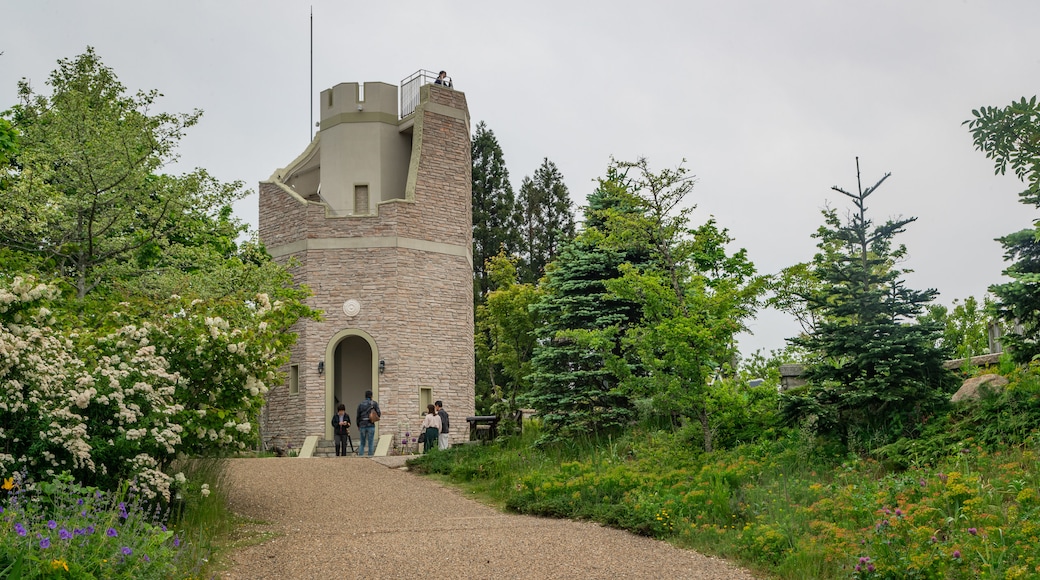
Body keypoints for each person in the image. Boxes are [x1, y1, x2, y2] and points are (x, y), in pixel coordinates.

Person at [355, 390, 381, 457]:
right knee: (371, 442)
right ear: (371, 396)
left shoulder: (361, 404)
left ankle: (361, 456)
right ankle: (370, 457)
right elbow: (379, 413)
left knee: (362, 443)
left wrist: (358, 425)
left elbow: (358, 416)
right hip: (370, 424)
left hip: (362, 425)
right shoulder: (374, 403)